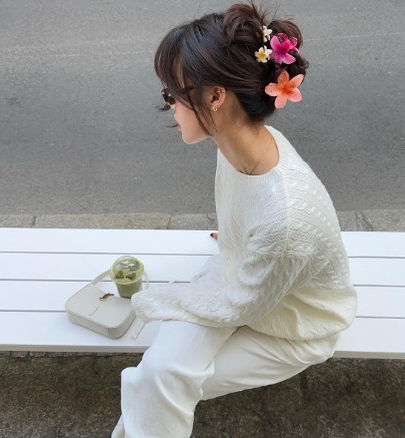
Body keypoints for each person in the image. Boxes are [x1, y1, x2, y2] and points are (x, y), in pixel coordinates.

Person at [112, 3, 358, 437]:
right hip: (244, 277)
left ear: (215, 96)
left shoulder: (283, 221)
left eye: (173, 94)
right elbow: (256, 222)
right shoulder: (245, 143)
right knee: (158, 376)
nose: (169, 106)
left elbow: (243, 301)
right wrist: (240, 236)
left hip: (293, 325)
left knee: (160, 379)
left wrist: (151, 301)